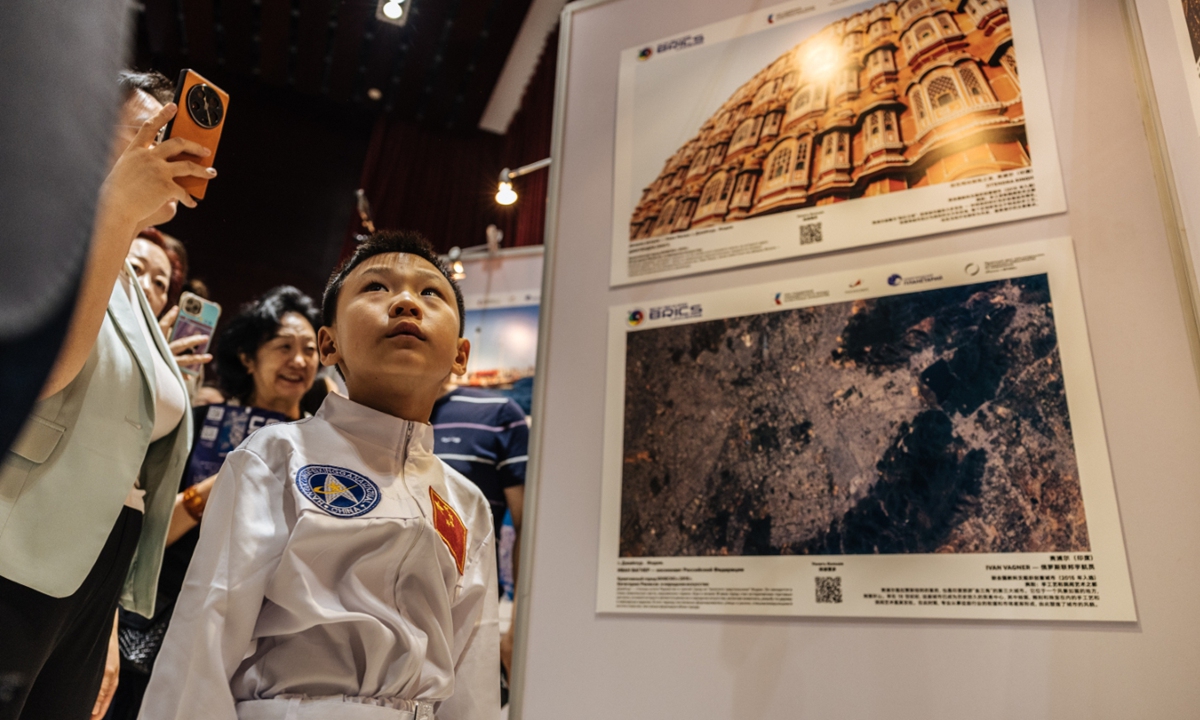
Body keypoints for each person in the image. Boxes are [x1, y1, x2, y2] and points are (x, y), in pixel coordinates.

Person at [141, 231, 499, 719]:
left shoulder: (467, 503)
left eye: (430, 292)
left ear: (460, 355)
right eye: (377, 287)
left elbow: (472, 679)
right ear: (329, 345)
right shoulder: (275, 456)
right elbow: (206, 631)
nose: (406, 304)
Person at [0, 69, 215, 720]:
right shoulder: (35, 236)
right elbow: (40, 381)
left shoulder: (127, 278)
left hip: (89, 573)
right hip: (15, 551)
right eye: (148, 131)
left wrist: (110, 622)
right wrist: (117, 208)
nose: (165, 146)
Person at [105, 286, 322, 720]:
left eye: (311, 349)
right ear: (248, 357)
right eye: (284, 347)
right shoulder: (196, 426)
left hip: (268, 636)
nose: (299, 361)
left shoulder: (322, 451)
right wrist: (213, 489)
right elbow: (147, 540)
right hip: (170, 617)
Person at [429, 385, 527, 681]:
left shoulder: (498, 414)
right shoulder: (372, 414)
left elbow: (528, 527)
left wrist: (517, 632)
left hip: (465, 612)